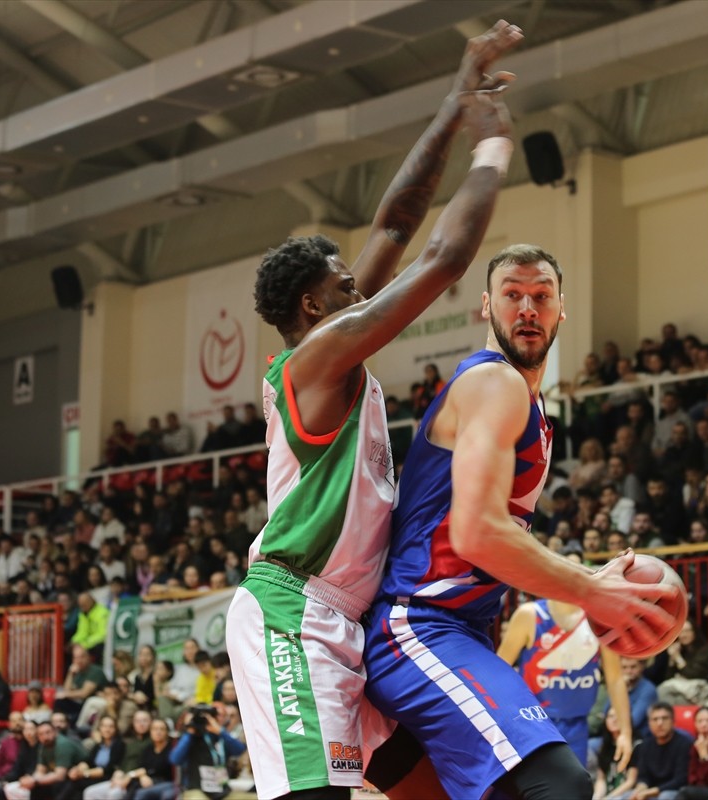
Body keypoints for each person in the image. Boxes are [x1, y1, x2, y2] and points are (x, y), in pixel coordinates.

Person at [225, 22, 524, 800]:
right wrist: (492, 150)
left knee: (440, 788)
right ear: (310, 303)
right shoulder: (314, 362)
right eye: (345, 284)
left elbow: (395, 222)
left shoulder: (335, 342)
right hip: (294, 610)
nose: (360, 285)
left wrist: (458, 99)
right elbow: (443, 259)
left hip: (354, 622)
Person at [363, 244, 683, 799]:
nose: (527, 308)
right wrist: (589, 588)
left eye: (541, 296)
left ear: (562, 311)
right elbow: (476, 532)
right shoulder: (496, 384)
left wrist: (588, 581)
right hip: (419, 629)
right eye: (513, 295)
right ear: (486, 307)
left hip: (456, 633)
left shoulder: (533, 410)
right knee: (559, 786)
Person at [497, 594, 634, 769]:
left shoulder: (600, 619)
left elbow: (615, 678)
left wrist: (626, 731)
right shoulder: (530, 615)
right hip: (534, 724)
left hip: (577, 726)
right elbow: (499, 673)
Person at [169, 705, 245, 799]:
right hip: (197, 790)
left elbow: (239, 750)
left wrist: (220, 731)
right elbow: (175, 759)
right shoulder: (192, 738)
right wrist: (190, 732)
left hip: (222, 789)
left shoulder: (222, 737)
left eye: (215, 716)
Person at [621, 703, 692, 800]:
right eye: (655, 719)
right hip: (649, 791)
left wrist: (653, 791)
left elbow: (681, 779)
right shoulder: (644, 745)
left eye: (664, 718)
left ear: (673, 722)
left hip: (673, 791)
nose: (660, 723)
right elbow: (643, 776)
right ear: (649, 724)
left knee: (665, 797)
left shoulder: (684, 744)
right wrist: (641, 788)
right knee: (625, 797)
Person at [676, 706, 708, 800]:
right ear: (695, 725)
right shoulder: (695, 745)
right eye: (699, 721)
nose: (704, 724)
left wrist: (705, 756)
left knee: (684, 792)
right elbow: (692, 777)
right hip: (698, 789)